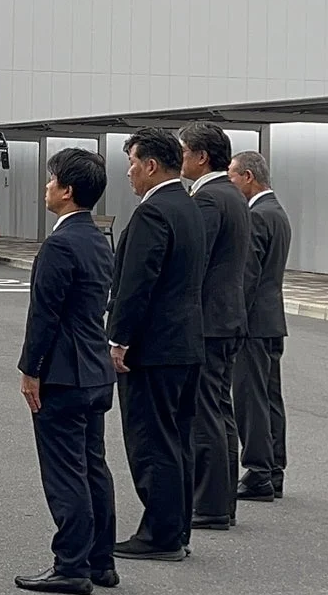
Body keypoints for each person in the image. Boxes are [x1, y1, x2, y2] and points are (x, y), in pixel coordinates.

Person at [15, 148, 118, 595]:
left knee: (65, 472)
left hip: (62, 371)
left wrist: (30, 371)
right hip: (95, 368)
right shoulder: (98, 239)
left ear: (67, 190)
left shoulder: (59, 244)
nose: (46, 186)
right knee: (94, 465)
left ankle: (70, 564)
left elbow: (44, 317)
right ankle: (101, 560)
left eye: (51, 179)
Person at [106, 128, 207, 561]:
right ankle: (175, 528)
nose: (128, 173)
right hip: (186, 342)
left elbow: (137, 283)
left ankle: (160, 535)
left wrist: (119, 338)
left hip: (153, 347)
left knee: (151, 441)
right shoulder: (187, 206)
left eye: (131, 163)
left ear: (150, 165)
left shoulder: (152, 213)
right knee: (177, 438)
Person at [180, 122, 248, 533]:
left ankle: (208, 504)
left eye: (183, 151)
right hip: (228, 316)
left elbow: (194, 261)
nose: (180, 159)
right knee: (220, 411)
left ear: (201, 156)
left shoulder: (208, 199)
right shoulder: (232, 194)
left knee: (205, 413)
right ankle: (221, 502)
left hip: (208, 319)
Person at [229, 151, 291, 501]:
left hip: (252, 322)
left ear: (249, 176)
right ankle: (274, 467)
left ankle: (257, 471)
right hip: (271, 319)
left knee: (250, 399)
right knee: (269, 398)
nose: (231, 183)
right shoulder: (277, 213)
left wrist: (233, 320)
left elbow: (245, 278)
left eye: (233, 177)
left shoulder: (255, 217)